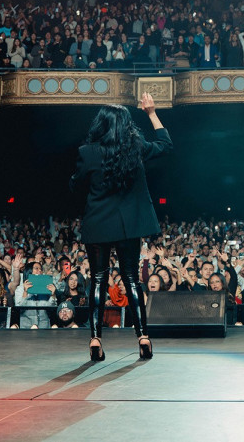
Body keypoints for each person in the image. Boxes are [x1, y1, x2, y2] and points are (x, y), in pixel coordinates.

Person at [70, 94, 172, 361]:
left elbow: (76, 185)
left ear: (100, 124)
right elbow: (165, 145)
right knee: (131, 278)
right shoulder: (135, 147)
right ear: (126, 125)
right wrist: (151, 113)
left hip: (98, 222)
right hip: (129, 225)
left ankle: (95, 338)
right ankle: (143, 337)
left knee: (98, 279)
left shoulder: (87, 152)